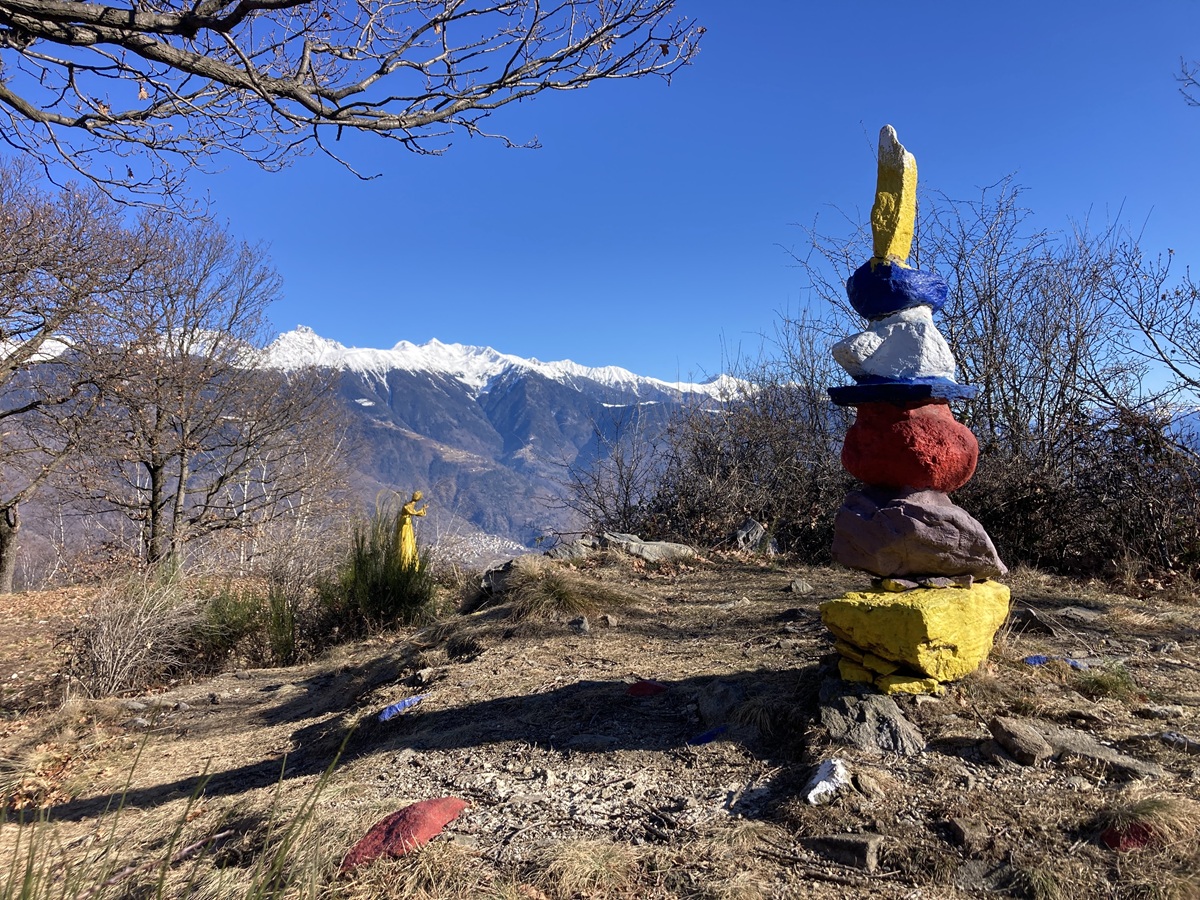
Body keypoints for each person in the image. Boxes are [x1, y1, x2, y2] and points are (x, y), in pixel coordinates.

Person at [398, 490, 427, 568]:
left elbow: (414, 512)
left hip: (407, 525)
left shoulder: (410, 505)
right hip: (404, 525)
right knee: (404, 542)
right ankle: (405, 562)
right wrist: (421, 510)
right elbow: (412, 512)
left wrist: (422, 510)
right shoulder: (407, 506)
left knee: (408, 542)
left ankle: (408, 560)